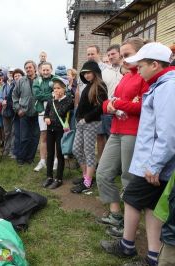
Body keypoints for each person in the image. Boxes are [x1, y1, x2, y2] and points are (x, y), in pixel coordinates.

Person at [101, 42, 175, 266]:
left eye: (141, 65)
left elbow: (168, 131)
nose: (138, 69)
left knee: (132, 198)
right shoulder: (160, 84)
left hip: (156, 163)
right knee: (151, 205)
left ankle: (127, 245)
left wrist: (155, 164)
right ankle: (153, 256)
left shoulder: (168, 87)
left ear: (155, 64)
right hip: (155, 161)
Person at [96, 37, 149, 236]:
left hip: (133, 132)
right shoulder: (126, 76)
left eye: (128, 55)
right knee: (102, 173)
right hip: (117, 130)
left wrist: (117, 104)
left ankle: (129, 227)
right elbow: (109, 101)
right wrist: (110, 105)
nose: (124, 59)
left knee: (128, 178)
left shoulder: (144, 77)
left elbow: (143, 106)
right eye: (123, 55)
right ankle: (116, 214)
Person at [71, 60, 108, 194]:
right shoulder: (88, 85)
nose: (86, 75)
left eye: (89, 72)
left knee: (89, 152)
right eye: (84, 73)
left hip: (91, 123)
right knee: (76, 149)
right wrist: (79, 119)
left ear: (95, 72)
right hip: (81, 123)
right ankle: (86, 176)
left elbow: (101, 107)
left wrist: (86, 119)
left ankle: (87, 183)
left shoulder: (100, 86)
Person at [42, 77, 73, 189]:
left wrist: (56, 99)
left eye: (58, 88)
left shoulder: (69, 100)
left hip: (61, 130)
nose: (56, 90)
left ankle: (59, 178)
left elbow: (62, 112)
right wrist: (46, 118)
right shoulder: (51, 101)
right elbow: (46, 113)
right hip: (50, 129)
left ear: (64, 88)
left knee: (59, 154)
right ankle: (49, 176)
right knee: (50, 153)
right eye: (54, 88)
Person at [12, 60, 39, 165]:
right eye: (26, 68)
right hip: (24, 113)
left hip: (37, 113)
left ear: (34, 68)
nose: (28, 69)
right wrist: (18, 109)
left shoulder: (40, 80)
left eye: (30, 67)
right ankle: (21, 157)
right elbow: (14, 95)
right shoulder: (21, 81)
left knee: (35, 137)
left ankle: (30, 158)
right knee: (24, 137)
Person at [33, 62, 56, 171]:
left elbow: (58, 93)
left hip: (55, 111)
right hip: (42, 111)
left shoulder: (56, 79)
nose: (45, 72)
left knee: (55, 135)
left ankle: (56, 160)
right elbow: (37, 95)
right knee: (44, 136)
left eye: (47, 70)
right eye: (44, 70)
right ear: (40, 70)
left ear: (51, 69)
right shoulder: (37, 80)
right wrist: (50, 95)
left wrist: (50, 95)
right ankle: (42, 161)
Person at [0, 70, 16, 157]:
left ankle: (12, 151)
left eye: (12, 73)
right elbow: (0, 98)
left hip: (13, 111)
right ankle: (6, 149)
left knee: (13, 132)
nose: (10, 74)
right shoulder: (4, 86)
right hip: (5, 111)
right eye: (9, 73)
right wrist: (2, 101)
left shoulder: (16, 84)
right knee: (6, 132)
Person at [11, 68, 25, 160]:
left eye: (18, 75)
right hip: (16, 113)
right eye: (15, 76)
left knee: (24, 135)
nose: (17, 77)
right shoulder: (12, 87)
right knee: (17, 134)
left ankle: (23, 153)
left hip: (25, 112)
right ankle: (16, 152)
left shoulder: (26, 85)